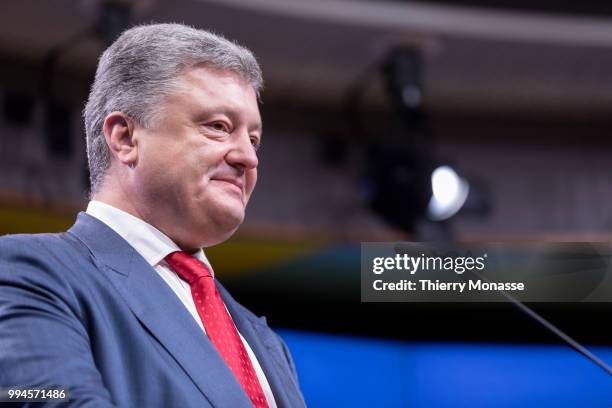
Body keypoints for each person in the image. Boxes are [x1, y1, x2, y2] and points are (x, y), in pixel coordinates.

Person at [0, 23, 306, 408]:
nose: (248, 157)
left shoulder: (265, 344)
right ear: (126, 138)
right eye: (218, 127)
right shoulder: (28, 272)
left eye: (254, 139)